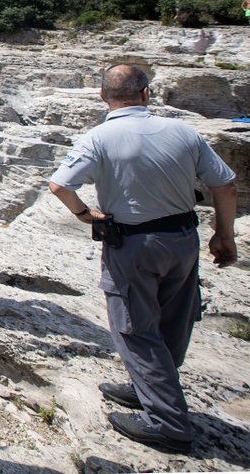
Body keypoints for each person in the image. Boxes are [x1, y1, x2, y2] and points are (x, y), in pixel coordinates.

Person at [48, 64, 237, 454]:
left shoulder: (99, 137)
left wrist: (86, 215)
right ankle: (146, 389)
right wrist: (224, 233)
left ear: (103, 97)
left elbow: (59, 185)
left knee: (135, 327)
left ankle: (167, 422)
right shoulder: (183, 132)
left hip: (132, 243)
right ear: (146, 93)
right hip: (183, 238)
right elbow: (225, 183)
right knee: (174, 319)